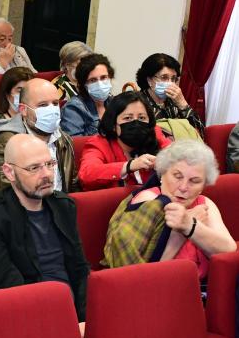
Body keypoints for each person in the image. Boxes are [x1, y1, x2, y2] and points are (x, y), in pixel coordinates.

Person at [0, 134, 90, 320]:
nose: (46, 174)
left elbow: (80, 268)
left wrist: (85, 320)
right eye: (34, 168)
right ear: (9, 172)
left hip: (73, 309)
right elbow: (5, 282)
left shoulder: (64, 206)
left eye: (50, 164)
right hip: (29, 313)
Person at [102, 140, 236, 275]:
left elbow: (228, 249)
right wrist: (180, 234)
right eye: (177, 176)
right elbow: (137, 276)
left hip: (200, 290)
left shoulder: (203, 203)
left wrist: (192, 226)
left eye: (194, 181)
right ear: (162, 174)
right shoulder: (149, 202)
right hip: (159, 290)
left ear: (203, 186)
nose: (183, 187)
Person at [0, 78, 79, 194]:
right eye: (43, 105)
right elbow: (8, 194)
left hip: (60, 207)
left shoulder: (64, 140)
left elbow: (73, 186)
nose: (51, 110)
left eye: (55, 103)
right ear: (23, 110)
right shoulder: (6, 143)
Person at [78, 91, 172, 191]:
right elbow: (86, 174)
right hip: (115, 204)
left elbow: (178, 157)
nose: (136, 123)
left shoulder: (155, 134)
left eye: (142, 118)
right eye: (128, 118)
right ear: (113, 124)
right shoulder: (98, 144)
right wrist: (129, 166)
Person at [135, 53, 205, 137]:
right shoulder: (137, 102)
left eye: (173, 79)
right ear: (149, 80)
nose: (170, 83)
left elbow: (200, 133)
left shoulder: (174, 102)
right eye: (164, 77)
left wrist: (183, 104)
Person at [61, 54, 114, 137]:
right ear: (84, 84)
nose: (100, 84)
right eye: (93, 80)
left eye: (103, 77)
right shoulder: (74, 108)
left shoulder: (113, 102)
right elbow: (74, 145)